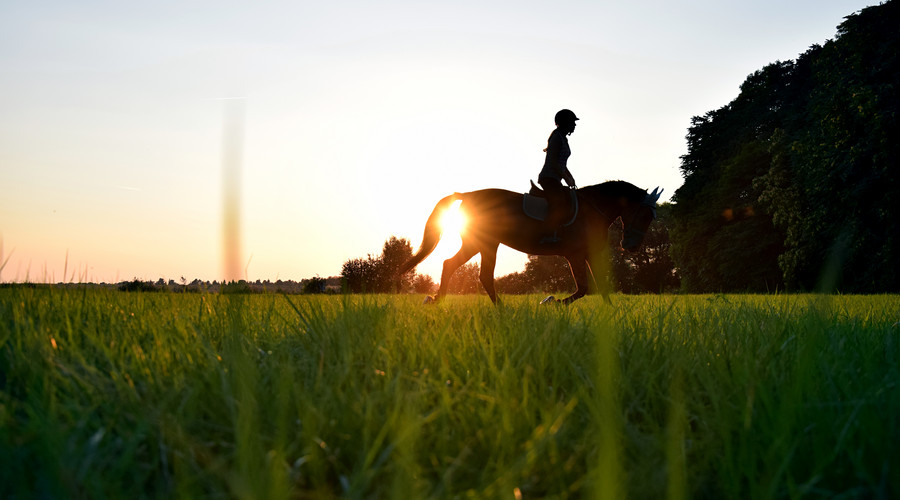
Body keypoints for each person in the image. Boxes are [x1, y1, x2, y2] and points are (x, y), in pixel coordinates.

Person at [537, 109, 578, 243]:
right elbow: (553, 161)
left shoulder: (563, 138)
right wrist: (565, 177)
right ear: (565, 122)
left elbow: (562, 164)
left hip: (555, 178)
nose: (574, 125)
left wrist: (570, 177)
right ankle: (546, 234)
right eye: (572, 122)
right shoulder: (556, 137)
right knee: (558, 202)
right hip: (549, 177)